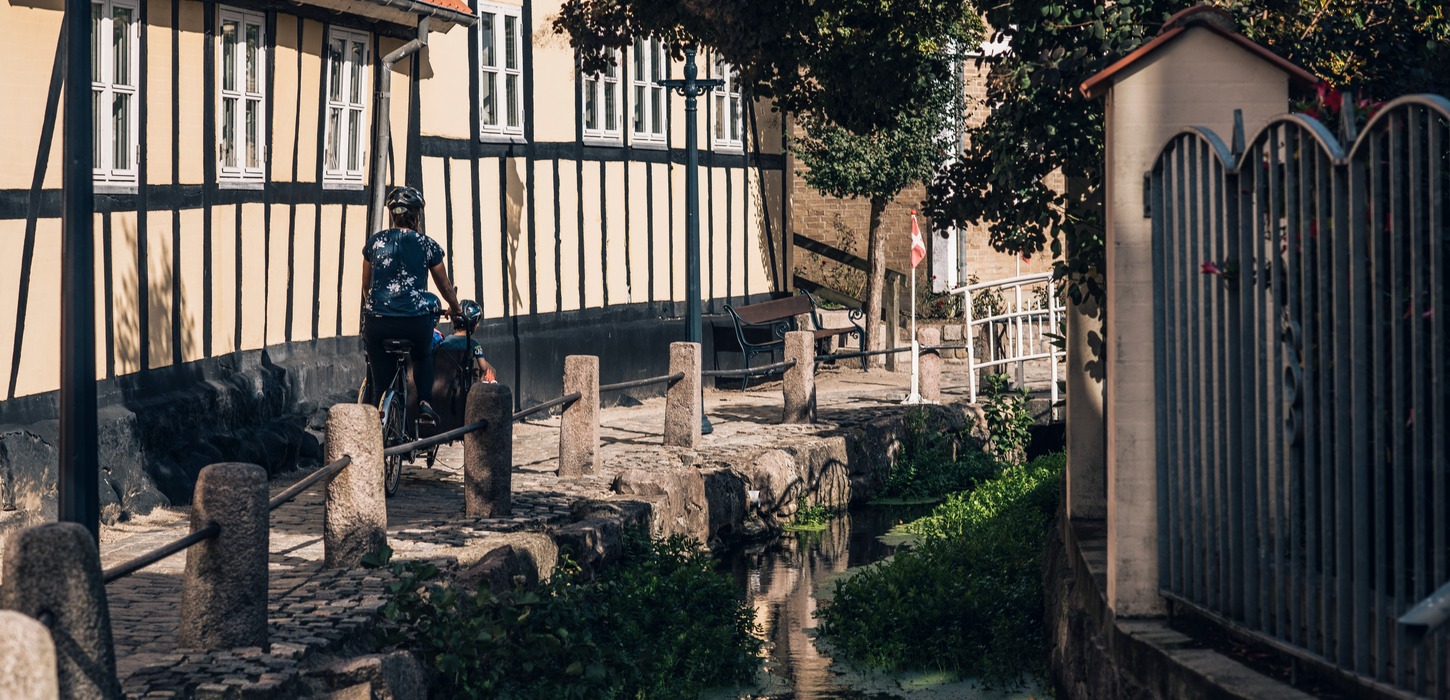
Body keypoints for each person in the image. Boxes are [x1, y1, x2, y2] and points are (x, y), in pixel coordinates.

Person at [361, 185, 462, 426]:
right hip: (413, 321)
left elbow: (366, 287)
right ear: (417, 216)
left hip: (378, 322)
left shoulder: (375, 243)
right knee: (423, 353)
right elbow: (445, 287)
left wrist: (376, 308)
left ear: (392, 215)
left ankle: (378, 407)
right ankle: (425, 403)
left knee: (378, 367)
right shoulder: (427, 245)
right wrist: (456, 308)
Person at [435, 299, 497, 383]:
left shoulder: (444, 342)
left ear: (454, 322)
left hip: (445, 382)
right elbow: (483, 367)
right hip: (464, 385)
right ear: (473, 325)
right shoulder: (474, 344)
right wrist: (481, 378)